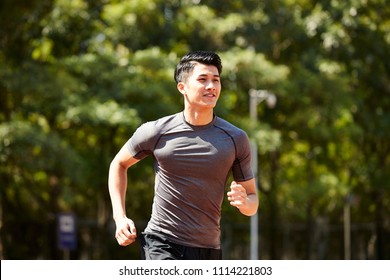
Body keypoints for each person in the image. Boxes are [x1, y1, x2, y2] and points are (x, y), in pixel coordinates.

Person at [108, 50, 258, 260]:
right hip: (161, 242)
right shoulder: (156, 131)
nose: (211, 86)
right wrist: (120, 217)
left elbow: (252, 202)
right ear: (182, 87)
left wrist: (245, 202)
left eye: (216, 80)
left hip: (208, 249)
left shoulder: (235, 138)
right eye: (203, 79)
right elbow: (119, 164)